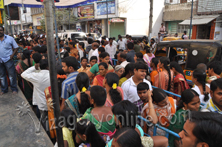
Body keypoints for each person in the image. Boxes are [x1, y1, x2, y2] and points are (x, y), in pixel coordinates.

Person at [21, 59, 50, 126]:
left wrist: (34, 67)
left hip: (42, 103)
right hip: (52, 102)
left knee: (44, 120)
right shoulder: (53, 74)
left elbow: (23, 74)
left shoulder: (36, 76)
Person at [0, 26, 19, 95]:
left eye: (1, 30)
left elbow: (16, 47)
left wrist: (12, 55)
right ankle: (4, 89)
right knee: (2, 76)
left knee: (12, 75)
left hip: (8, 59)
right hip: (0, 60)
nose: (0, 32)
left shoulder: (10, 38)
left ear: (3, 31)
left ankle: (14, 89)